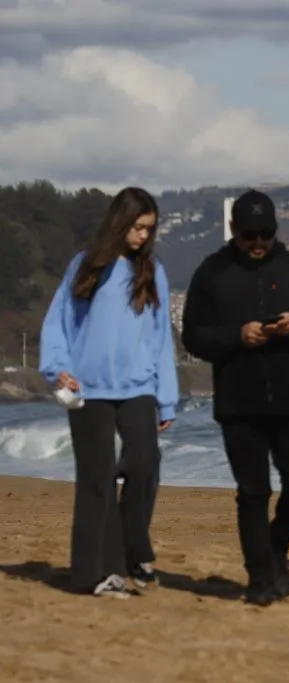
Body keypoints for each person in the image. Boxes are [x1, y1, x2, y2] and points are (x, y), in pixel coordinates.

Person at [181, 190, 289, 606]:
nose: (258, 242)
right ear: (234, 230)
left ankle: (276, 546)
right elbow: (192, 335)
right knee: (253, 492)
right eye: (250, 234)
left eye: (265, 234)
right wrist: (237, 336)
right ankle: (259, 578)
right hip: (239, 402)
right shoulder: (212, 272)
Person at [39, 187, 178, 598]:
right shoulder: (85, 267)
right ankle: (92, 574)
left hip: (138, 389)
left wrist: (166, 397)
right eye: (137, 227)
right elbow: (58, 322)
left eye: (149, 230)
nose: (143, 237)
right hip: (88, 389)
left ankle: (128, 549)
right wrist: (58, 370)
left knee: (144, 464)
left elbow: (160, 340)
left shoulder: (152, 273)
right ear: (120, 223)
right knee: (96, 481)